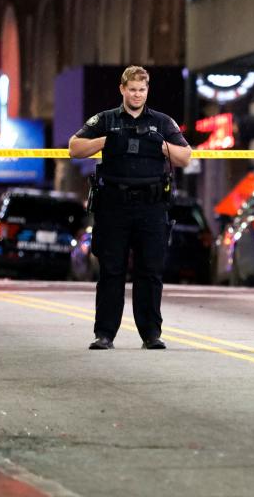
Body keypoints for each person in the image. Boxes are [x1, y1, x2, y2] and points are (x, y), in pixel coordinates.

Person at [68, 66, 192, 350]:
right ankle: (105, 334)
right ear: (122, 89)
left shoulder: (161, 122)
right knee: (111, 271)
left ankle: (151, 334)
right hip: (114, 206)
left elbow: (185, 156)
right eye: (132, 89)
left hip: (151, 206)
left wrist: (163, 148)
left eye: (142, 90)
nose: (137, 94)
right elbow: (74, 148)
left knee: (150, 271)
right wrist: (108, 141)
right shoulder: (106, 120)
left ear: (147, 91)